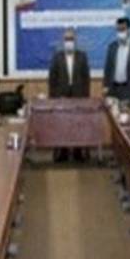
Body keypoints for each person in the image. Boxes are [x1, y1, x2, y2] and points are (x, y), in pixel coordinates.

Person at [47, 28, 91, 161]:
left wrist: (85, 97)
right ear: (63, 41)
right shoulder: (57, 57)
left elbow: (86, 78)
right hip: (61, 96)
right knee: (62, 124)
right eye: (66, 39)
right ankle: (63, 152)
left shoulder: (82, 56)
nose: (69, 42)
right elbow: (52, 78)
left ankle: (78, 152)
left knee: (78, 124)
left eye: (71, 39)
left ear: (75, 41)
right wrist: (53, 97)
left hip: (79, 95)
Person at [103, 17, 130, 104]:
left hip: (129, 88)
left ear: (129, 30)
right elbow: (108, 68)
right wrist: (105, 85)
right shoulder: (112, 47)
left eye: (122, 29)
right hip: (113, 88)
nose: (120, 32)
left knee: (127, 111)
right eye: (118, 30)